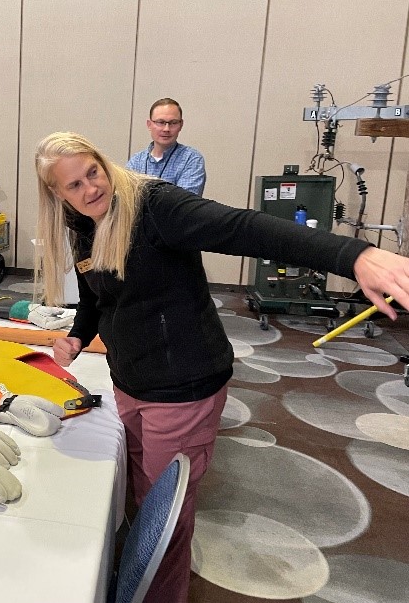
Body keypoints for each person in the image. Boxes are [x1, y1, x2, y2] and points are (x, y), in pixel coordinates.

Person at [34, 131, 409, 603]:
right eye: (73, 185)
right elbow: (96, 297)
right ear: (56, 194)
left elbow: (243, 227)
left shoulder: (155, 206)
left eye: (94, 172)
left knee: (163, 517)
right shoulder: (81, 221)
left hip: (182, 383)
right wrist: (77, 336)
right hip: (130, 379)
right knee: (138, 489)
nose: (91, 188)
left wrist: (354, 255)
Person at [126, 98, 206, 196]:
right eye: (160, 122)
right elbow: (127, 201)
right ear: (149, 125)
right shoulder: (136, 161)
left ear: (181, 125)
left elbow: (183, 206)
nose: (166, 129)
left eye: (173, 123)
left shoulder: (191, 159)